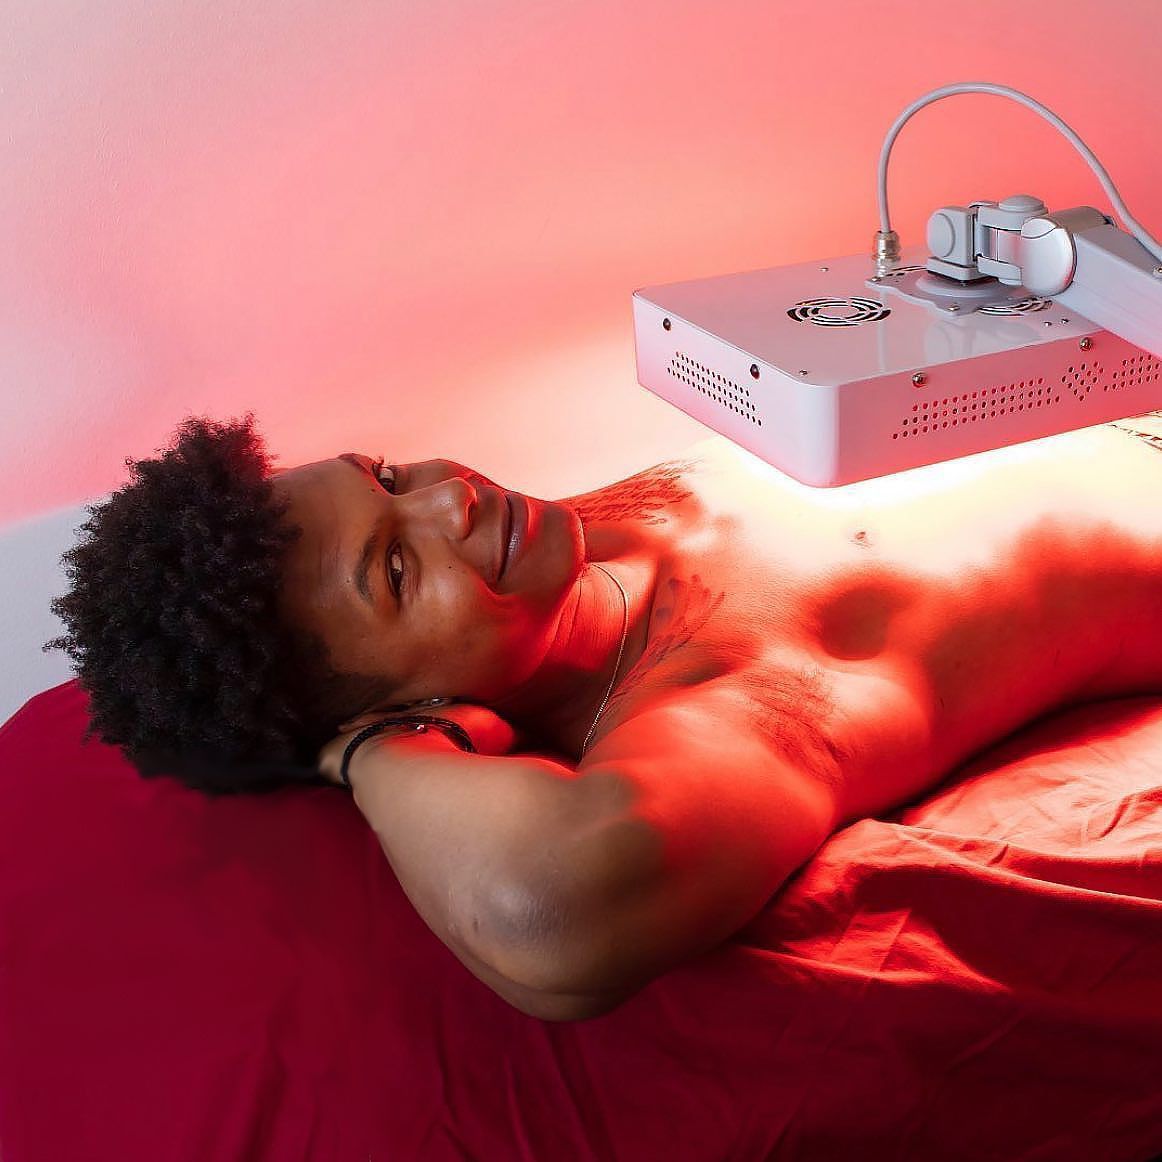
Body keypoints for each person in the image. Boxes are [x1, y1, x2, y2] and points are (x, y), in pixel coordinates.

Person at [45, 410, 1162, 1019]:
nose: (448, 497)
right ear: (416, 710)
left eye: (386, 475)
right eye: (394, 569)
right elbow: (545, 911)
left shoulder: (553, 545)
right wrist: (366, 756)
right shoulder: (714, 703)